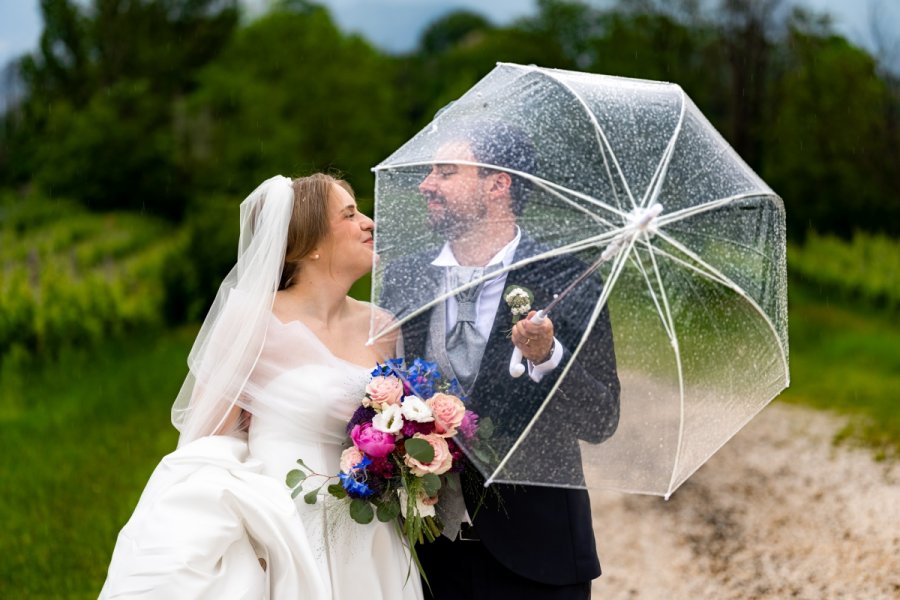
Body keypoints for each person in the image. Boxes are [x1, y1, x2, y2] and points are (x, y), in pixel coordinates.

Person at [100, 174, 423, 600]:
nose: (368, 223)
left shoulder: (383, 327)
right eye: (349, 215)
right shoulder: (254, 321)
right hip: (284, 526)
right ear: (307, 244)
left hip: (371, 531)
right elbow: (206, 442)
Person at [379, 123, 621, 599]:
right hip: (425, 558)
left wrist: (548, 357)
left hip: (539, 557)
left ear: (498, 184)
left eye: (446, 173)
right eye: (430, 172)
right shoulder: (405, 276)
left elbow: (601, 419)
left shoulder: (567, 277)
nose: (427, 184)